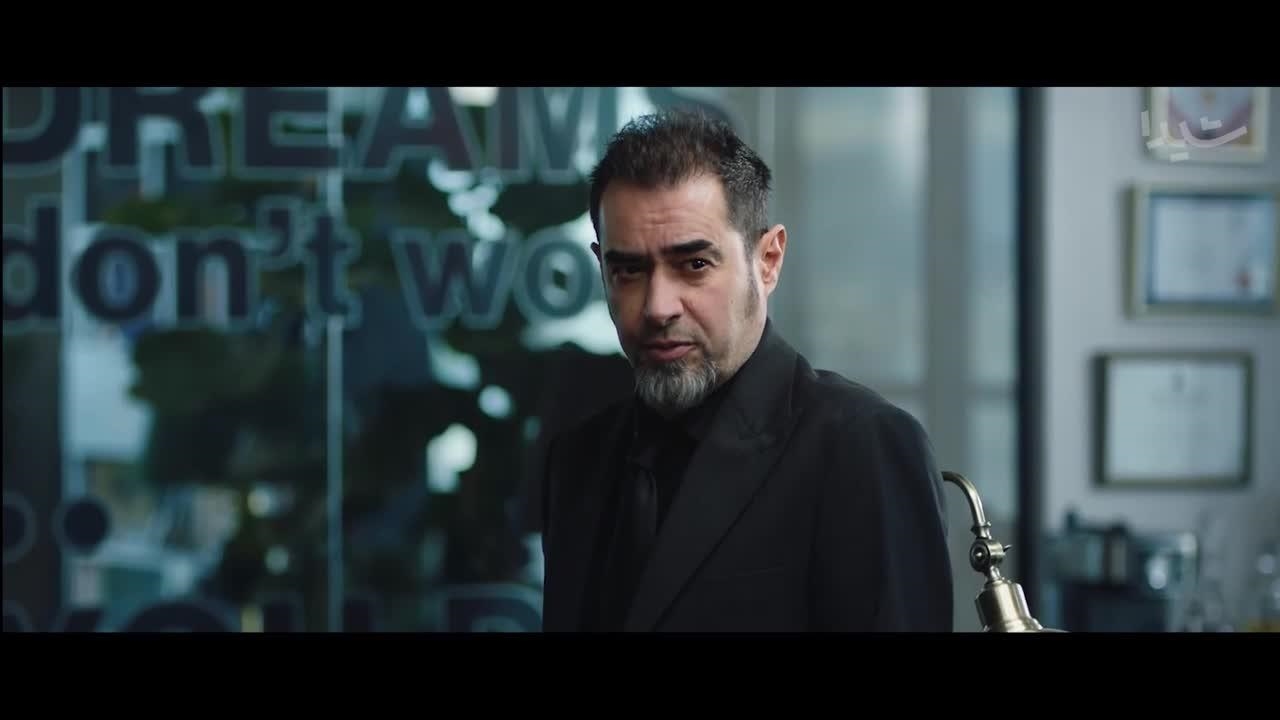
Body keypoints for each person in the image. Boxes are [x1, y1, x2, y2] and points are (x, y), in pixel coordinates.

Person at [537, 109, 953, 632]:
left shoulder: (861, 446)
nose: (658, 307)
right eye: (628, 271)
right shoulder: (578, 460)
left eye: (694, 265)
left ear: (768, 260)